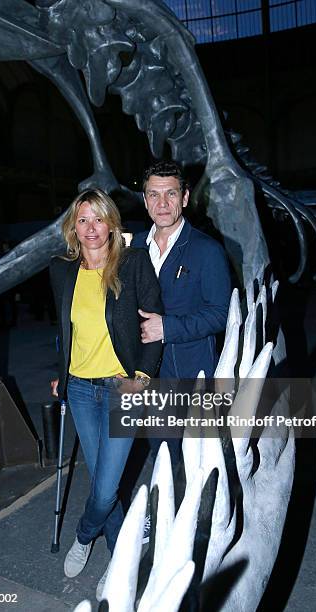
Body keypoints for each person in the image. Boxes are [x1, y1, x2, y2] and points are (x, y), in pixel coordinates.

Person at [49, 188, 162, 588]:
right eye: (83, 220)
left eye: (99, 219)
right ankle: (119, 561)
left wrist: (142, 378)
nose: (91, 228)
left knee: (104, 489)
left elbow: (153, 329)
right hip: (79, 390)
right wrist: (62, 372)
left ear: (112, 223)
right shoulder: (60, 270)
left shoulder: (133, 264)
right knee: (103, 482)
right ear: (73, 228)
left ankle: (82, 536)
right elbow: (65, 330)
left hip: (121, 389)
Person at [131, 160, 231, 466]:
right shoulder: (133, 248)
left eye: (171, 194)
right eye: (154, 194)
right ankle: (159, 513)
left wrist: (168, 328)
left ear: (185, 198)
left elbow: (222, 314)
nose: (162, 204)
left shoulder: (206, 250)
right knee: (160, 454)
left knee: (198, 463)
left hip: (191, 372)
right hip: (145, 374)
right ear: (145, 199)